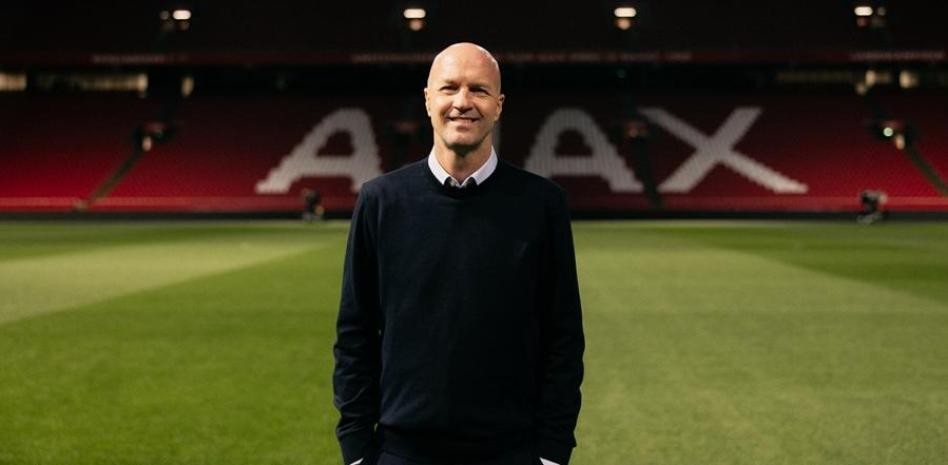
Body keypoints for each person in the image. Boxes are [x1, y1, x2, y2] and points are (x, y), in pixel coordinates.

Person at [333, 42, 584, 465]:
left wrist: (553, 451)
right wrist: (357, 449)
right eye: (449, 88)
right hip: (401, 452)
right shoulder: (380, 202)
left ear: (498, 105)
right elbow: (355, 332)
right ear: (428, 99)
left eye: (479, 90)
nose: (462, 102)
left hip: (512, 452)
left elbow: (564, 335)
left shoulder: (543, 204)